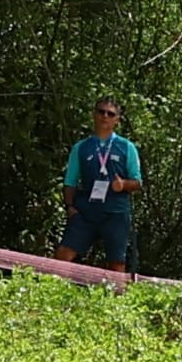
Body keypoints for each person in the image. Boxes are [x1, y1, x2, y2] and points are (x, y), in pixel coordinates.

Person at [59, 96, 144, 271]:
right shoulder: (81, 148)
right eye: (101, 111)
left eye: (110, 113)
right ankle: (53, 293)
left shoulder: (127, 147)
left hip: (115, 212)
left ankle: (117, 298)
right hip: (86, 211)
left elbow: (137, 182)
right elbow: (70, 182)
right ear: (94, 114)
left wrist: (124, 184)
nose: (105, 116)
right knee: (63, 256)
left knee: (117, 264)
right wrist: (70, 207)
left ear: (117, 120)